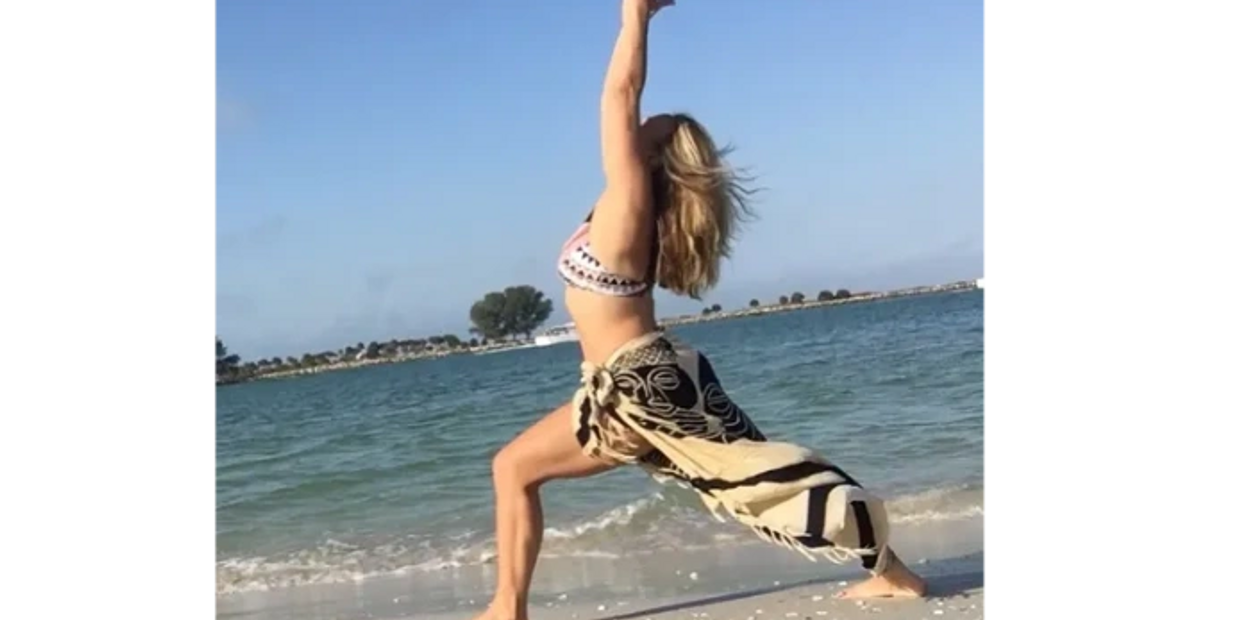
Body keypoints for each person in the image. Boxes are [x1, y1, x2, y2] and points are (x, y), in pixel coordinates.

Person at [473, 2, 926, 618]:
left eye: (650, 130)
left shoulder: (632, 207)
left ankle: (506, 608)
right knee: (760, 474)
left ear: (654, 160)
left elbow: (619, 94)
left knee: (755, 477)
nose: (636, 128)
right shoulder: (623, 211)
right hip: (638, 381)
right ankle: (894, 572)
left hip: (639, 382)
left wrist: (634, 16)